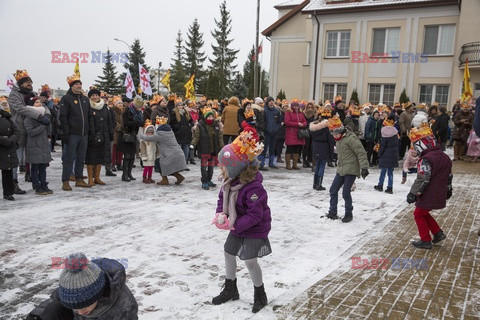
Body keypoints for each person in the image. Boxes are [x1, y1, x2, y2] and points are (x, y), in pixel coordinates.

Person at [212, 123, 271, 313]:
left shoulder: (254, 187)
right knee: (229, 253)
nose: (223, 171)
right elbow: (223, 198)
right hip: (237, 225)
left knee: (250, 261)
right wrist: (221, 213)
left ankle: (260, 294)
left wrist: (234, 225)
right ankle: (230, 288)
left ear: (237, 168)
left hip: (255, 228)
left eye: (225, 167)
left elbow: (256, 214)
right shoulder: (231, 182)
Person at [27, 253, 138, 320]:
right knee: (54, 309)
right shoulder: (71, 288)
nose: (79, 311)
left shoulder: (124, 306)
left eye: (84, 306)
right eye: (74, 307)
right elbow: (53, 301)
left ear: (97, 294)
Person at [406, 124, 452, 249]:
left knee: (418, 213)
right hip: (439, 191)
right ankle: (437, 233)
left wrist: (413, 193)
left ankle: (425, 240)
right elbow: (449, 176)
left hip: (429, 192)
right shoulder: (444, 156)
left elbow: (422, 178)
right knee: (423, 212)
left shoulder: (426, 159)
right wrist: (448, 190)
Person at [325, 116, 369, 223]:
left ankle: (349, 213)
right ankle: (332, 212)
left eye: (336, 134)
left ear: (341, 131)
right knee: (333, 190)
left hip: (351, 169)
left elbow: (361, 152)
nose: (334, 136)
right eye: (333, 134)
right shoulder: (339, 139)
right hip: (341, 169)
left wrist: (364, 167)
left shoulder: (351, 139)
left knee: (345, 193)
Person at [8, 70, 45, 189]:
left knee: (31, 156)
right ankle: (13, 183)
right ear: (21, 84)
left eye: (30, 82)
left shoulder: (32, 94)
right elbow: (21, 109)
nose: (30, 84)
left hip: (32, 130)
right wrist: (38, 115)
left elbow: (42, 106)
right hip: (19, 130)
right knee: (17, 159)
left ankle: (32, 177)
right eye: (27, 82)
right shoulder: (14, 95)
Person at [59, 74, 91, 190]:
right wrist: (65, 133)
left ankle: (79, 179)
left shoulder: (85, 99)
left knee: (81, 158)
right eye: (76, 84)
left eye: (80, 84)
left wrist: (90, 131)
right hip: (72, 134)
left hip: (84, 134)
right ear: (71, 86)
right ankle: (66, 181)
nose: (79, 86)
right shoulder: (66, 98)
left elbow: (89, 117)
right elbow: (63, 117)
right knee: (69, 158)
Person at [138, 116, 186, 185]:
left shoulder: (160, 135)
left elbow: (147, 138)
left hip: (169, 155)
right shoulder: (170, 132)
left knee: (159, 164)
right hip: (178, 153)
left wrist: (140, 133)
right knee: (171, 166)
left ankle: (165, 179)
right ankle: (179, 177)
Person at [85, 87, 114, 187]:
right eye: (92, 95)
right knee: (91, 157)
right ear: (90, 97)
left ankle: (97, 177)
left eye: (96, 95)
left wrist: (111, 133)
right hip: (92, 135)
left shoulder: (104, 107)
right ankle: (90, 179)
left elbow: (109, 121)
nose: (95, 97)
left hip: (104, 134)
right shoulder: (87, 106)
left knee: (100, 157)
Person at [24, 98, 53, 195]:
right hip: (34, 145)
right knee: (35, 168)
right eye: (36, 102)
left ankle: (44, 184)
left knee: (43, 167)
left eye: (40, 102)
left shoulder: (45, 116)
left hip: (44, 144)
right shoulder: (29, 117)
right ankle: (37, 186)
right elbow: (31, 132)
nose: (39, 103)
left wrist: (48, 125)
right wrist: (43, 125)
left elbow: (49, 131)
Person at [190, 107, 224, 190]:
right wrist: (193, 144)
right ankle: (204, 181)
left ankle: (209, 180)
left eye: (212, 117)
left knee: (211, 167)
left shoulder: (216, 125)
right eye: (209, 117)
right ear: (205, 117)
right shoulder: (200, 126)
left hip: (213, 150)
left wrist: (223, 147)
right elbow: (196, 137)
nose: (210, 118)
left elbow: (219, 137)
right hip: (204, 149)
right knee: (204, 166)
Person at [118, 96, 144, 182]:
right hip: (127, 135)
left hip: (134, 135)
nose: (138, 108)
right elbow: (126, 123)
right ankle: (124, 174)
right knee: (127, 156)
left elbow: (141, 122)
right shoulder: (127, 112)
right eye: (137, 106)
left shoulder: (139, 113)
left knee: (132, 155)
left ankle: (129, 173)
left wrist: (141, 123)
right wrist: (137, 122)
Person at [374, 116, 399, 194]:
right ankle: (390, 187)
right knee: (390, 173)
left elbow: (382, 147)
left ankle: (380, 185)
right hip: (393, 155)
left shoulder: (384, 136)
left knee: (383, 171)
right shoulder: (395, 135)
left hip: (385, 155)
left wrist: (379, 154)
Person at [0, 103, 19, 200]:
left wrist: (11, 140)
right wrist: (4, 140)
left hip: (8, 148)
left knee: (7, 170)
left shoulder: (7, 117)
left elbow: (16, 131)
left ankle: (8, 192)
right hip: (3, 145)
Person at [309, 117, 334, 190]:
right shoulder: (327, 128)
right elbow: (330, 141)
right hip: (324, 147)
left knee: (317, 165)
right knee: (322, 166)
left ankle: (315, 183)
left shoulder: (314, 128)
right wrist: (331, 153)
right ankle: (319, 184)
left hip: (316, 147)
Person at [259, 97, 282, 170]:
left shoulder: (277, 111)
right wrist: (264, 130)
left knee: (273, 148)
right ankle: (261, 164)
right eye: (270, 101)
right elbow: (263, 121)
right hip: (266, 132)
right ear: (267, 102)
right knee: (264, 149)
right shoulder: (264, 110)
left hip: (274, 132)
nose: (271, 102)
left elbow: (279, 121)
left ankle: (272, 163)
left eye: (272, 101)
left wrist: (277, 128)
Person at [284, 99, 307, 170]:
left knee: (297, 149)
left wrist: (302, 124)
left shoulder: (301, 113)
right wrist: (297, 124)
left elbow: (305, 122)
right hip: (291, 133)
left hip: (298, 134)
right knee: (289, 148)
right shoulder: (288, 112)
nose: (296, 107)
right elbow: (287, 122)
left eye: (297, 106)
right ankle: (288, 164)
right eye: (295, 106)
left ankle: (295, 164)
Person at [170, 100, 193, 166]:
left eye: (181, 105)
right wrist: (178, 128)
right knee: (179, 149)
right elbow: (171, 123)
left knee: (186, 148)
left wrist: (190, 125)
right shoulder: (174, 113)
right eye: (179, 105)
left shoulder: (186, 112)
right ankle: (178, 163)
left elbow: (191, 120)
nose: (180, 107)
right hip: (178, 133)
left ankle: (184, 163)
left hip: (186, 133)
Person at [111, 96, 124, 172]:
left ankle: (119, 163)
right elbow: (113, 122)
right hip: (115, 132)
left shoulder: (123, 111)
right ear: (115, 104)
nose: (120, 104)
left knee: (120, 149)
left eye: (121, 103)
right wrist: (120, 127)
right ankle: (113, 164)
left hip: (122, 132)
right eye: (119, 103)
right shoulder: (113, 111)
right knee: (114, 149)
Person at [302, 102, 316, 168]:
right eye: (308, 107)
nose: (310, 109)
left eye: (311, 107)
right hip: (306, 131)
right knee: (305, 147)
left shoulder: (315, 114)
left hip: (313, 131)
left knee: (311, 147)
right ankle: (304, 161)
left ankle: (309, 160)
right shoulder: (304, 113)